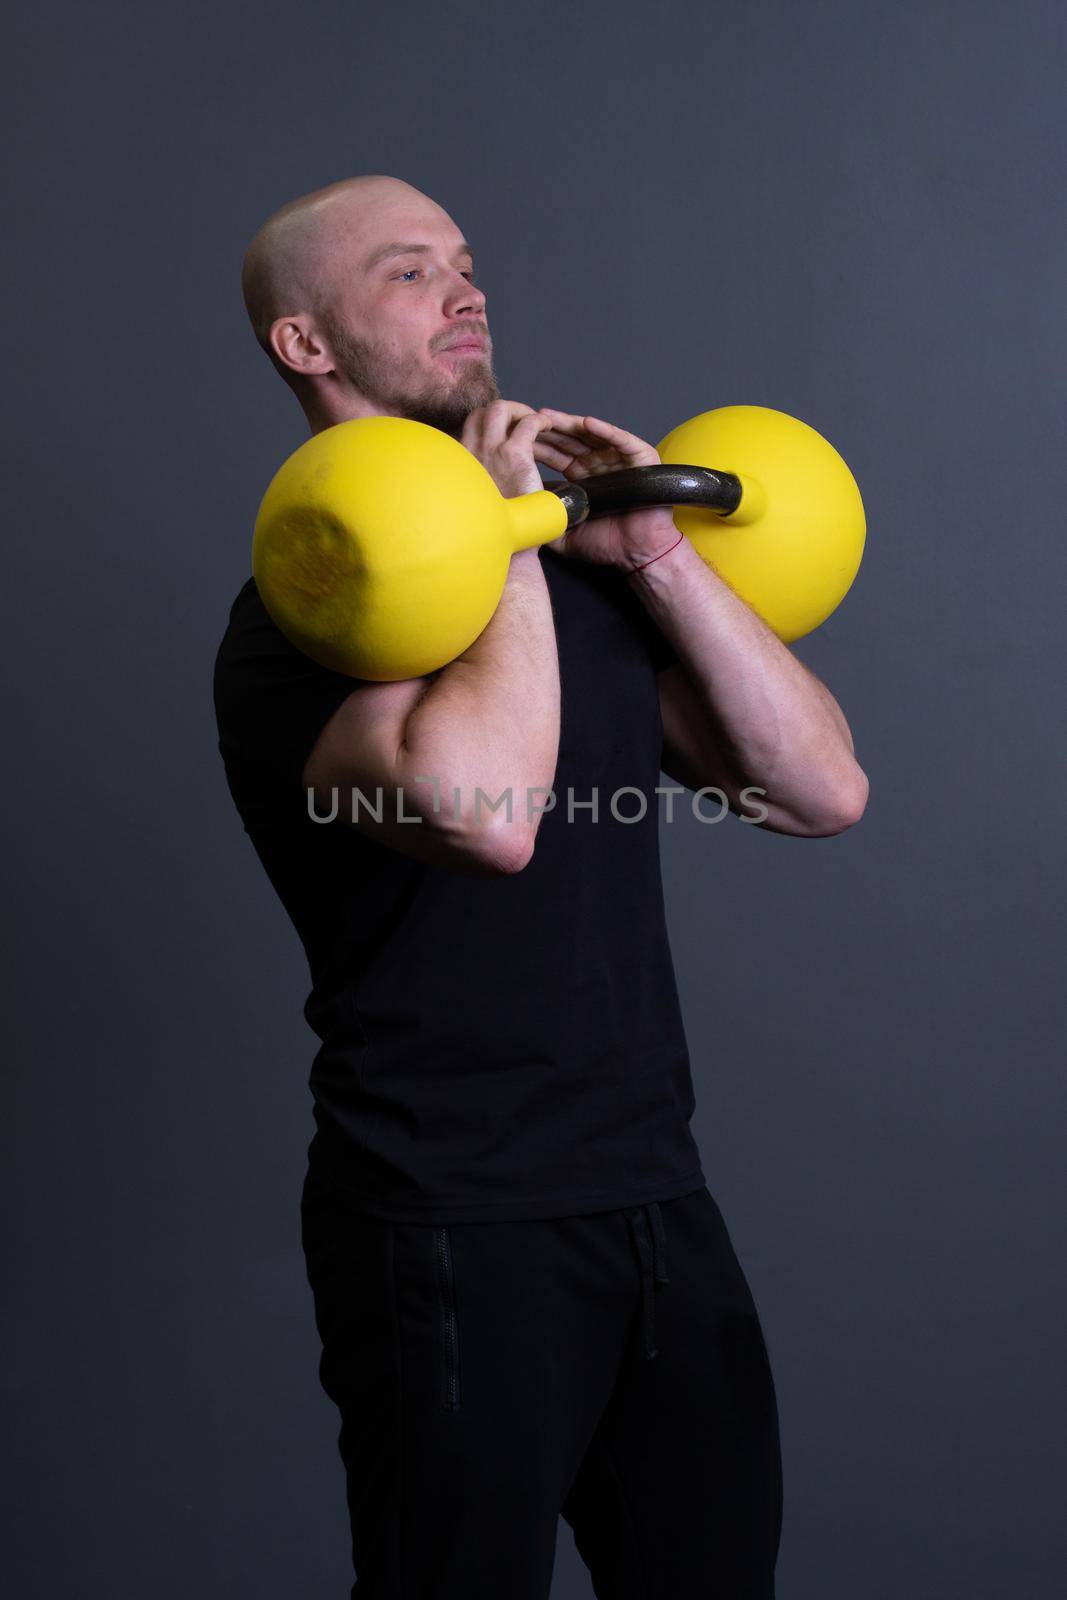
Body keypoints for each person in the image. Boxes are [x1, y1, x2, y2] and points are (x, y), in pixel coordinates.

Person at [213, 174, 868, 1598]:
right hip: (444, 1220)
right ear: (307, 345)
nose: (466, 292)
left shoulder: (584, 580)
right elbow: (488, 814)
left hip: (653, 1193)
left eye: (466, 264)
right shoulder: (290, 628)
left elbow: (820, 793)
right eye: (407, 273)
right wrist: (507, 533)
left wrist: (657, 560)